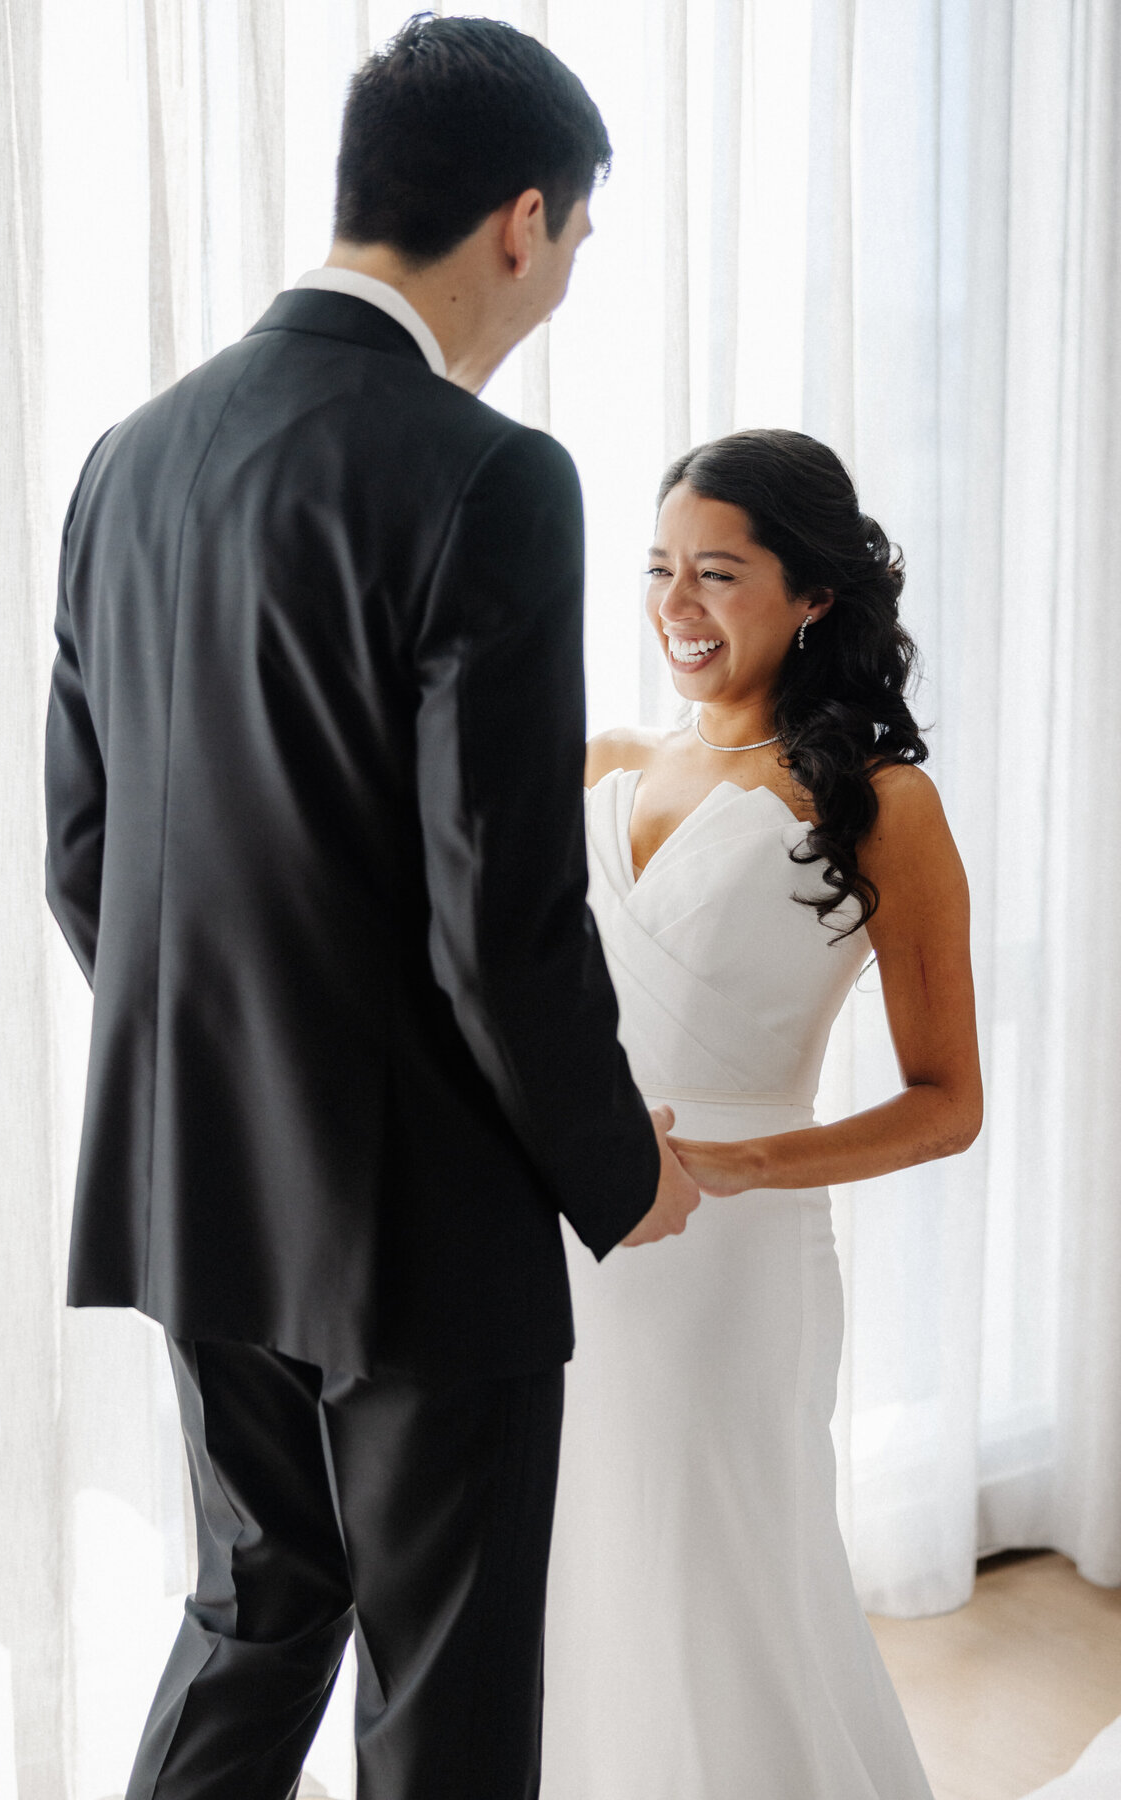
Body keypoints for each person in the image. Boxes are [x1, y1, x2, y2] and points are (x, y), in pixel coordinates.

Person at [43, 17, 698, 1800]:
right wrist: (620, 1175)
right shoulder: (492, 475)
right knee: (448, 1686)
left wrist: (236, 1071)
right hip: (422, 1221)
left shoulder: (131, 455)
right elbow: (504, 916)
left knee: (259, 1612)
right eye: (576, 241)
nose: (564, 280)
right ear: (521, 219)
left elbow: (86, 856)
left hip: (198, 1182)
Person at [540, 428, 983, 1800]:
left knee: (725, 1566)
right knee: (577, 1570)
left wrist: (737, 1165)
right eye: (659, 569)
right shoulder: (599, 763)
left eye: (717, 574)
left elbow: (948, 1103)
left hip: (734, 1256)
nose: (677, 605)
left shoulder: (886, 807)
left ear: (813, 596)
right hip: (565, 1237)